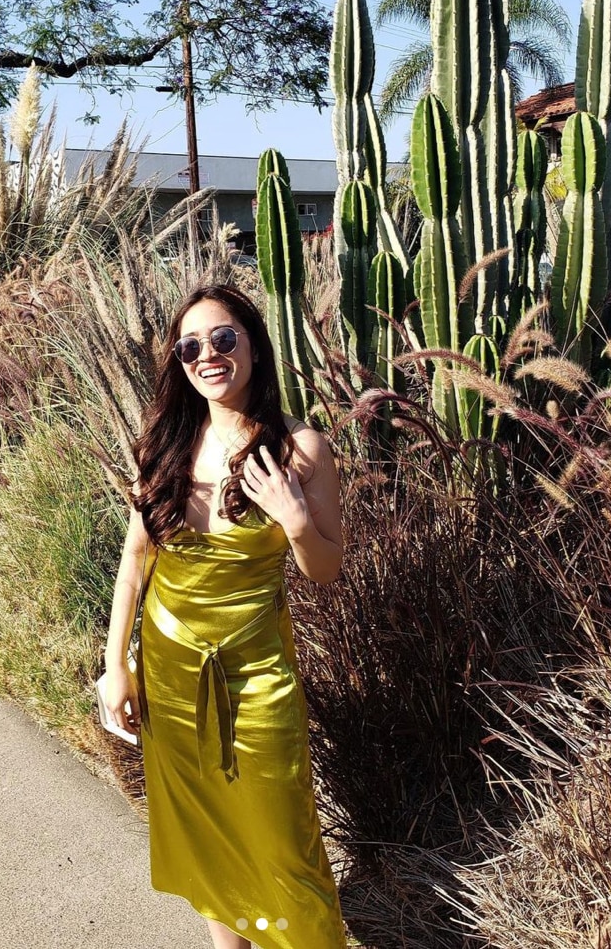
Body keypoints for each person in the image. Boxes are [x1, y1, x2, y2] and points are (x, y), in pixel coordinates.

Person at [102, 283, 348, 949]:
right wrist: (114, 666)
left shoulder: (301, 449)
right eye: (190, 347)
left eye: (223, 338)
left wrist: (297, 522)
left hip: (257, 678)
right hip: (169, 675)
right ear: (178, 364)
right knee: (207, 834)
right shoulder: (166, 444)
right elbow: (134, 563)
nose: (207, 355)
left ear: (255, 346)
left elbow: (325, 568)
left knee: (282, 839)